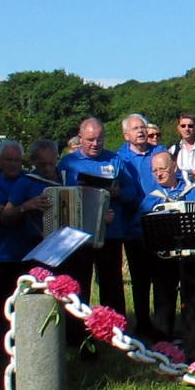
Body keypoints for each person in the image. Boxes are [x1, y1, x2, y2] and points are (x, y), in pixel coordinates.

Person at [58, 118, 132, 321]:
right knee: (78, 283)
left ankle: (115, 329)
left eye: (100, 139)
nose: (95, 144)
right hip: (79, 235)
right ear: (80, 138)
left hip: (110, 234)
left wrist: (118, 194)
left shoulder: (115, 160)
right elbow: (61, 197)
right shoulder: (68, 163)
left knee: (111, 284)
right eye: (90, 140)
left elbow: (132, 191)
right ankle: (77, 331)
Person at [138, 150, 195, 342]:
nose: (158, 174)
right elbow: (140, 226)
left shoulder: (192, 193)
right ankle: (162, 344)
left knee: (193, 301)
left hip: (191, 257)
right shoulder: (152, 199)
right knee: (163, 300)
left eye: (162, 169)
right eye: (154, 171)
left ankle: (194, 346)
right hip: (162, 258)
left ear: (174, 168)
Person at [0, 140, 38, 341]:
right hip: (0, 252)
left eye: (17, 160)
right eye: (8, 160)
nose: (13, 164)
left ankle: (26, 340)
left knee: (27, 300)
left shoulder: (29, 181)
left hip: (27, 250)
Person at [115, 113, 165, 336]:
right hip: (133, 226)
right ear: (126, 134)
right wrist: (131, 197)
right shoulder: (119, 159)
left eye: (143, 127)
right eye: (136, 128)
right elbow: (118, 190)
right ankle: (143, 322)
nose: (141, 131)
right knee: (140, 279)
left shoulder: (160, 153)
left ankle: (164, 324)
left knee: (163, 277)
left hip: (161, 224)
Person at [171, 113, 195, 195]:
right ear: (178, 128)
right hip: (181, 199)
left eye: (190, 126)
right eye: (183, 126)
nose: (187, 129)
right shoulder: (173, 150)